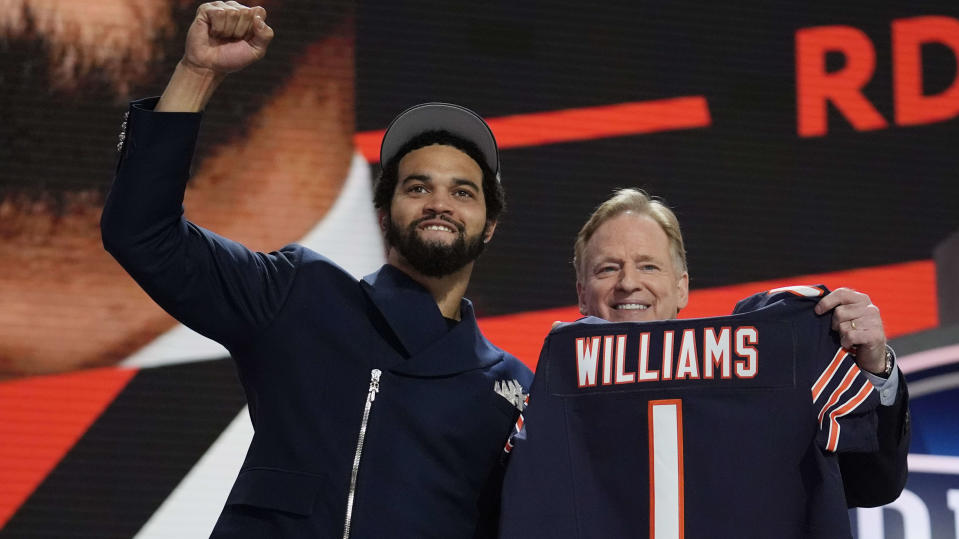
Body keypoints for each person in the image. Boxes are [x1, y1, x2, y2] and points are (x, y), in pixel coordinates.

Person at [100, 3, 531, 538]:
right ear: (384, 215)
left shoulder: (514, 389)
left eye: (462, 192)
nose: (438, 203)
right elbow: (142, 232)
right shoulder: (300, 295)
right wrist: (198, 73)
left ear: (489, 226)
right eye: (416, 187)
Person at [568, 188, 908, 507]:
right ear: (583, 294)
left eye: (648, 266)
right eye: (608, 269)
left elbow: (872, 483)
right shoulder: (550, 406)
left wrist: (872, 368)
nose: (628, 283)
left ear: (681, 287)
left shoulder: (757, 382)